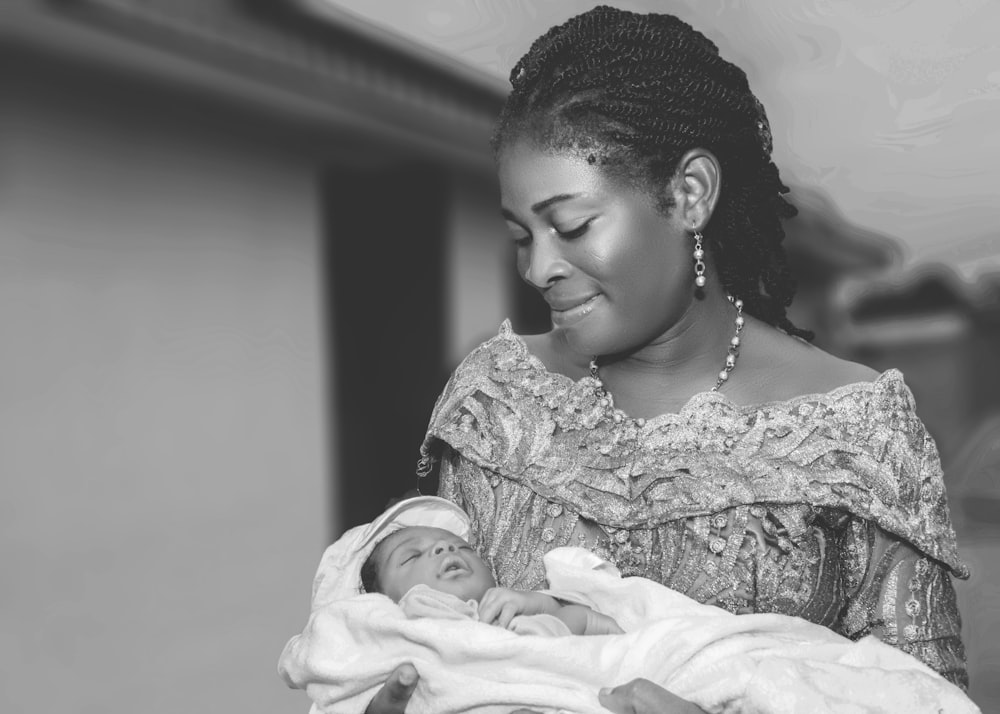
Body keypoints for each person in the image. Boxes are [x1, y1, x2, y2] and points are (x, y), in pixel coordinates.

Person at [364, 6, 970, 714]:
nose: (539, 268)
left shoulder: (859, 436)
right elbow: (414, 632)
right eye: (521, 236)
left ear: (689, 195)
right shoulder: (495, 401)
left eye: (571, 226)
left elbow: (924, 700)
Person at [280, 497, 977, 714]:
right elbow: (346, 654)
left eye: (574, 224)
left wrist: (543, 603)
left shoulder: (517, 605)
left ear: (691, 193)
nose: (439, 555)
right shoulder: (416, 622)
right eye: (414, 557)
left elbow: (613, 630)